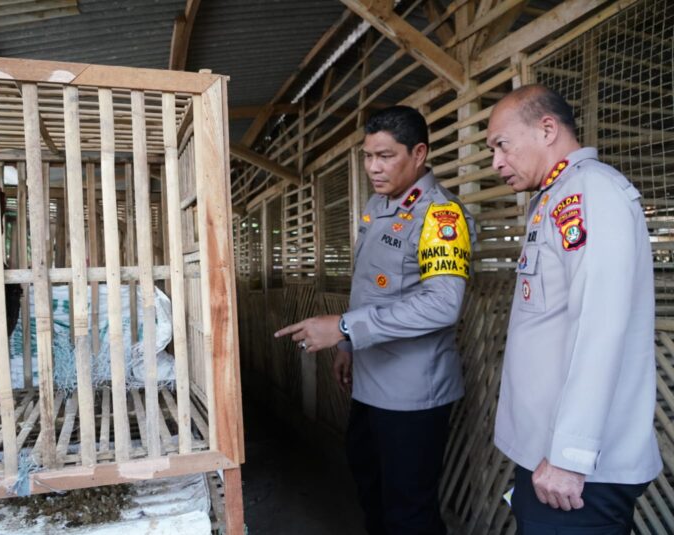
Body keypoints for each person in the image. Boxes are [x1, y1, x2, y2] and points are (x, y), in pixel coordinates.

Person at [274, 106, 475, 534]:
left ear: (418, 153)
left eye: (385, 156)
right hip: (370, 381)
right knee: (369, 484)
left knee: (409, 511)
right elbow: (370, 286)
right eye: (368, 156)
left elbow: (442, 304)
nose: (372, 167)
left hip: (412, 393)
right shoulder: (378, 204)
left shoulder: (440, 216)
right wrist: (349, 347)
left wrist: (344, 328)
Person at [488, 85, 662, 534]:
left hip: (578, 474)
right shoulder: (554, 197)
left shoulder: (591, 191)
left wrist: (570, 456)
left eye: (501, 145)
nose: (496, 162)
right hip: (550, 459)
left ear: (547, 129)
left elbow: (598, 326)